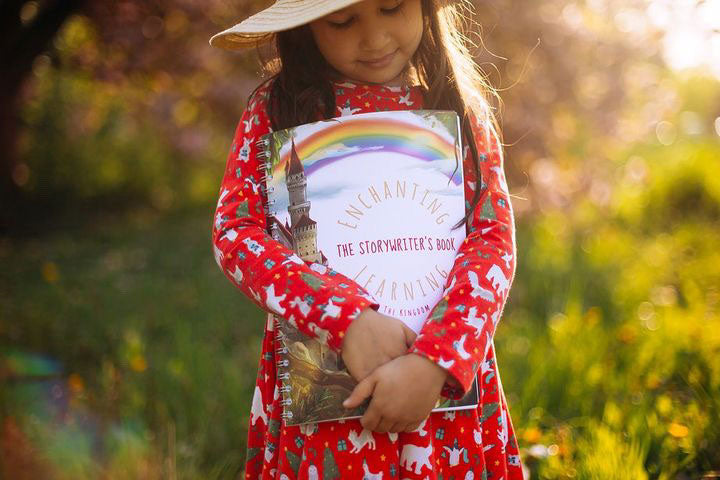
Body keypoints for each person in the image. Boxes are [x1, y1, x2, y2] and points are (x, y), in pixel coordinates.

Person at [209, 0, 526, 478]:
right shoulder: (276, 111)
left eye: (391, 7)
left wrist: (437, 362)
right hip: (330, 394)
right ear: (305, 28)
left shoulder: (456, 106)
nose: (374, 37)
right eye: (342, 21)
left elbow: (491, 238)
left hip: (439, 389)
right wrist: (344, 318)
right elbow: (236, 232)